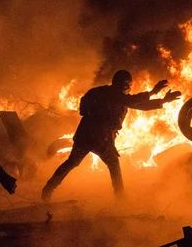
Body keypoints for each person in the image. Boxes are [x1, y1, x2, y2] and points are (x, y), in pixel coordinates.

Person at [41, 70, 181, 202]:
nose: (127, 89)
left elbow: (140, 105)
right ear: (124, 85)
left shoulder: (109, 95)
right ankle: (120, 199)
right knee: (113, 165)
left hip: (86, 135)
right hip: (100, 138)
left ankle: (48, 188)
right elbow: (133, 101)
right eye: (127, 86)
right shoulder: (111, 94)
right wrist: (153, 92)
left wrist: (163, 100)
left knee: (72, 162)